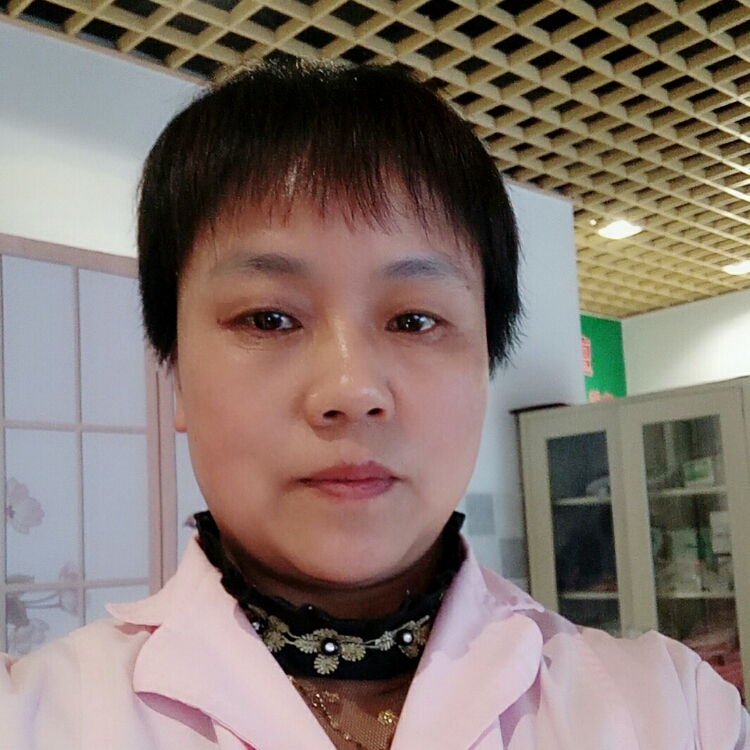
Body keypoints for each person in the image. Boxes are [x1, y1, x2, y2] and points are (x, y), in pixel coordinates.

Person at [1, 59, 747, 750]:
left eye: (414, 319)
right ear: (175, 373)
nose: (351, 390)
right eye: (269, 318)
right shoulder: (33, 717)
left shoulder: (673, 711)